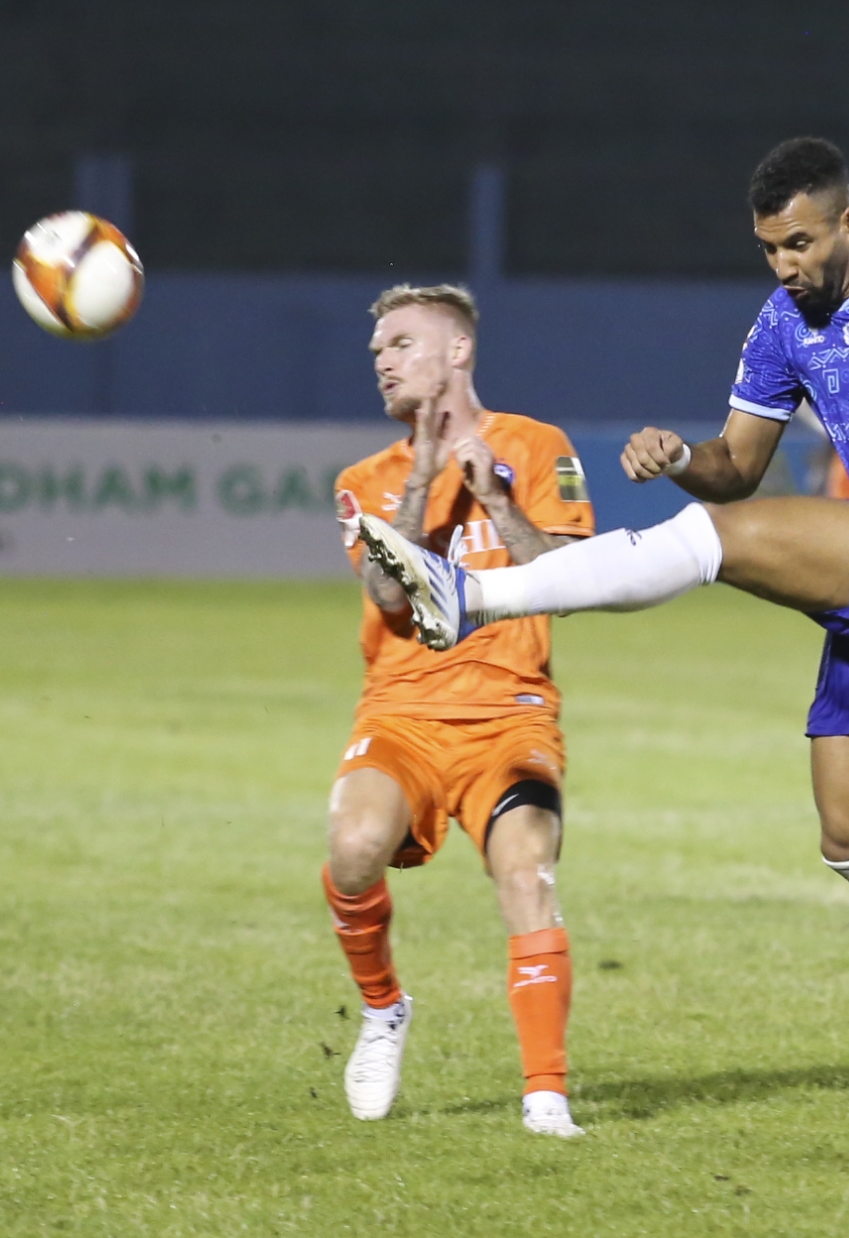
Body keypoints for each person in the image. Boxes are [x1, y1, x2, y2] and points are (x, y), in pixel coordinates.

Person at [355, 137, 849, 1130]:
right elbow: (736, 466)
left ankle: (467, 597)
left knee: (714, 544)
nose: (785, 266)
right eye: (770, 248)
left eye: (801, 244)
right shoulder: (781, 325)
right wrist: (680, 455)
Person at [325, 284, 595, 1139]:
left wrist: (500, 502)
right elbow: (384, 592)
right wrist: (428, 478)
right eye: (377, 352)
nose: (383, 361)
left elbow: (575, 577)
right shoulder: (364, 481)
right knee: (354, 846)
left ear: (457, 353)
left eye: (401, 344)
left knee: (526, 875)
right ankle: (383, 1008)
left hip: (510, 714)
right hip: (403, 710)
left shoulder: (539, 446)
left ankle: (545, 1101)